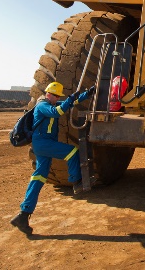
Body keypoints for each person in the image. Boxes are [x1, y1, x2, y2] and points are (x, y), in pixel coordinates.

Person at [10, 81, 93, 235]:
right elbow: (57, 112)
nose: (56, 98)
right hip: (43, 143)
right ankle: (76, 181)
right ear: (49, 94)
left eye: (57, 97)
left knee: (39, 178)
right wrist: (69, 99)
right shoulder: (43, 105)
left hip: (43, 145)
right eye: (55, 96)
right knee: (73, 152)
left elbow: (70, 103)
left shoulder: (52, 103)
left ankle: (23, 214)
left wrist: (85, 95)